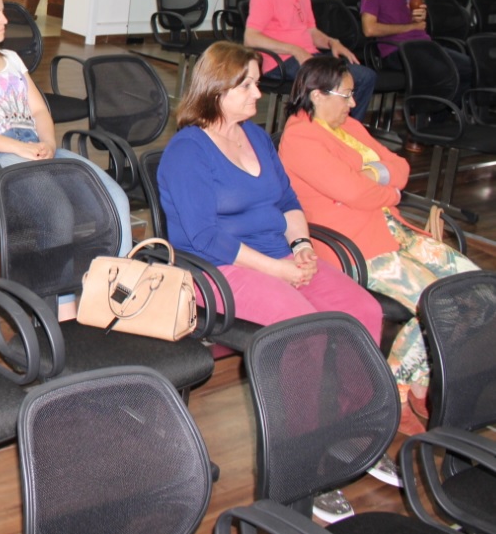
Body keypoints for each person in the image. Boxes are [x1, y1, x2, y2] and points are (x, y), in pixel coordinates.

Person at [159, 42, 385, 521]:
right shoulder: (187, 151)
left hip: (281, 255)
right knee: (305, 333)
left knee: (363, 312)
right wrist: (278, 269)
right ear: (217, 88)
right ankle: (300, 468)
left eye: (256, 83)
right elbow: (203, 237)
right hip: (219, 270)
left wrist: (301, 247)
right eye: (247, 85)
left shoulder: (257, 137)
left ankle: (350, 432)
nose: (259, 93)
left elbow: (287, 201)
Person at [278, 55, 478, 435]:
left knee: (476, 288)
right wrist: (387, 189)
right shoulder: (299, 137)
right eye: (346, 95)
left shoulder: (349, 126)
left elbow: (400, 166)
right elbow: (354, 192)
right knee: (438, 301)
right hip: (356, 244)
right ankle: (396, 394)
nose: (354, 103)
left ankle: (417, 382)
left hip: (392, 229)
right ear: (318, 95)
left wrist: (375, 178)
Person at [0, 0, 131, 243]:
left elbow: (39, 110)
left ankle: (118, 269)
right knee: (56, 212)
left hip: (35, 148)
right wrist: (20, 148)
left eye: (3, 12)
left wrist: (48, 143)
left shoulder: (11, 58)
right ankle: (56, 270)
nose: (5, 20)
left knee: (115, 198)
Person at [244, 0, 376, 121]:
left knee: (365, 76)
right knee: (336, 81)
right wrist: (294, 49)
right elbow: (250, 38)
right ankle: (325, 128)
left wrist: (331, 42)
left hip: (309, 56)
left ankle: (344, 128)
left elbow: (311, 31)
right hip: (280, 62)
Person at [360, 0, 472, 95]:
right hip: (397, 49)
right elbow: (369, 29)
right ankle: (433, 107)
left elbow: (410, 22)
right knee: (446, 72)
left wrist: (417, 17)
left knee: (473, 67)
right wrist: (411, 27)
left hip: (423, 45)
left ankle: (451, 108)